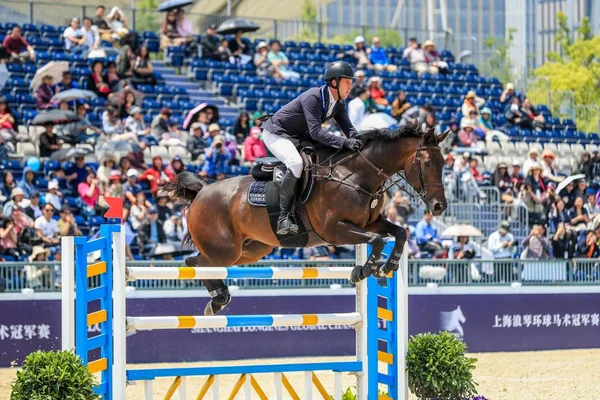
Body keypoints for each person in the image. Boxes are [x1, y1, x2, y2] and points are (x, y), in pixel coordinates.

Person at [261, 61, 362, 235]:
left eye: (351, 83)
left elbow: (350, 131)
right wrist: (345, 143)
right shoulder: (314, 97)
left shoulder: (338, 103)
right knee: (295, 163)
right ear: (334, 82)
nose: (351, 86)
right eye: (348, 82)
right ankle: (283, 218)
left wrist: (363, 143)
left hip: (299, 137)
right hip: (278, 134)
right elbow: (316, 132)